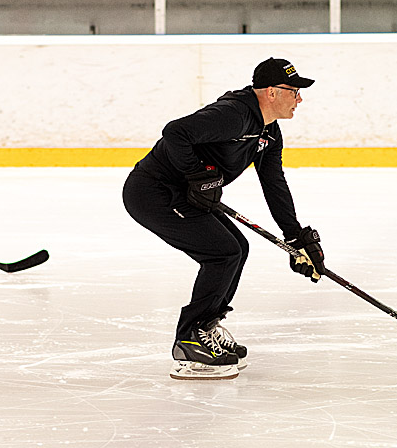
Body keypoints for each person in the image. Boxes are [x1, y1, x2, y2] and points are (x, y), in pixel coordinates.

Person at [122, 57, 327, 380]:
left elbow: (274, 184)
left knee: (237, 247)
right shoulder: (234, 114)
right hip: (154, 193)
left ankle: (205, 326)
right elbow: (175, 132)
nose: (299, 99)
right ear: (271, 93)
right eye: (294, 91)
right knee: (222, 252)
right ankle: (190, 339)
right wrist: (198, 174)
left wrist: (296, 238)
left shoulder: (269, 133)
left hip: (187, 195)